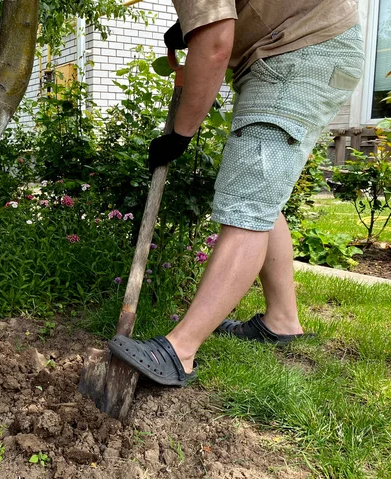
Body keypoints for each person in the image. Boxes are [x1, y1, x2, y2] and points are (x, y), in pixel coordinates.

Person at [108, 0, 364, 386]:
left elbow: (214, 46)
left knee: (248, 202)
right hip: (308, 43)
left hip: (300, 49)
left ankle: (180, 351)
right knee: (261, 194)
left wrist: (180, 135)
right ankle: (282, 320)